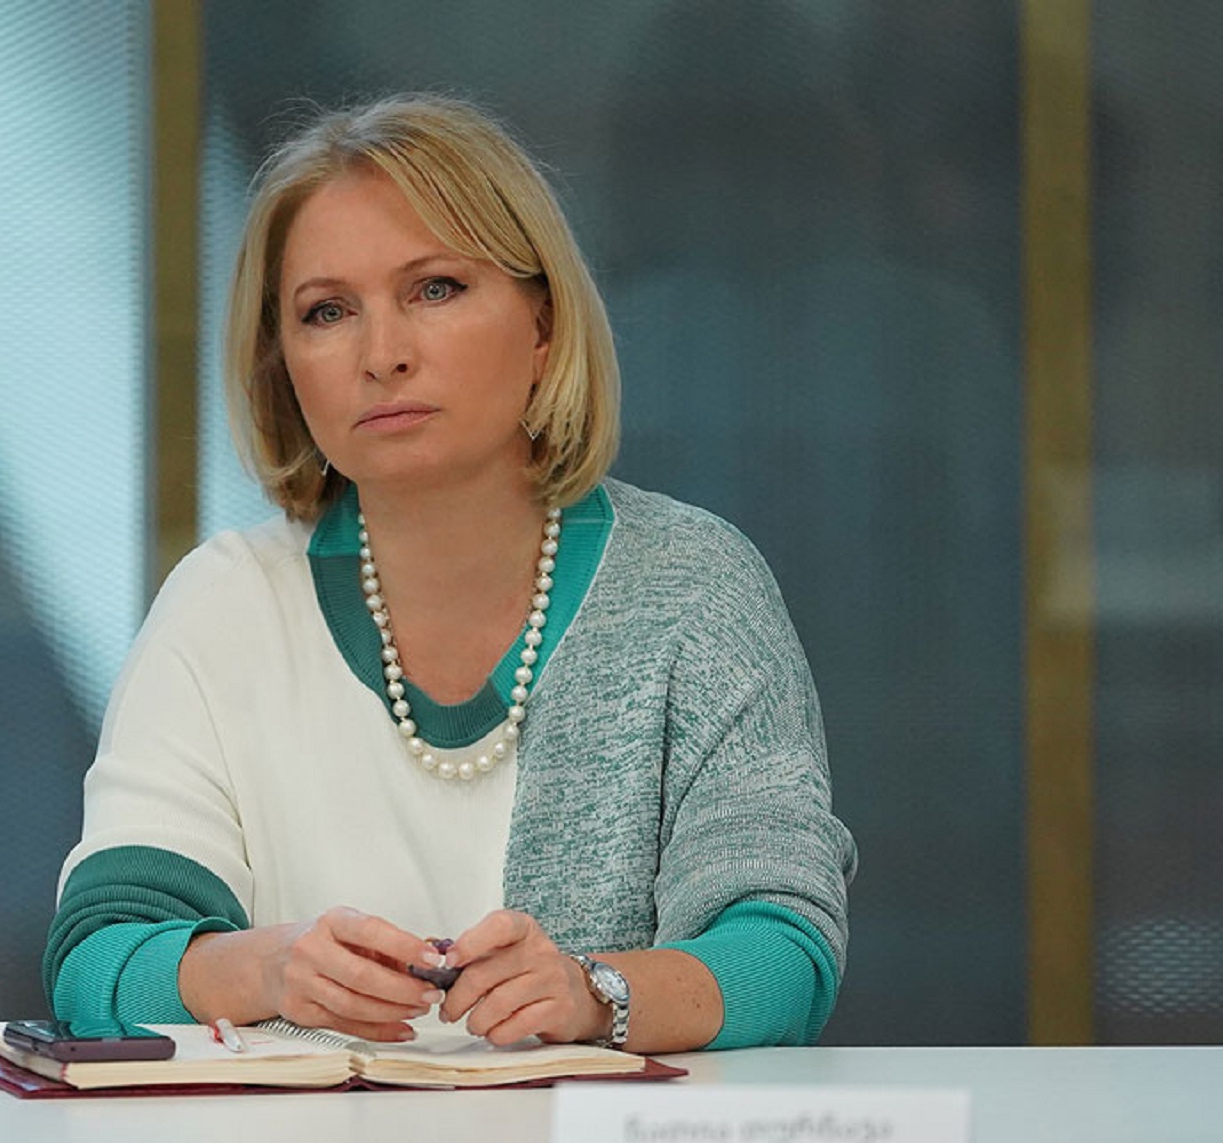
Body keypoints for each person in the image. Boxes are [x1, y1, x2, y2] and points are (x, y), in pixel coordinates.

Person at [43, 94, 856, 1054]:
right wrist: (266, 970)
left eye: (435, 289)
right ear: (283, 365)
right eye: (327, 312)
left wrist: (595, 995)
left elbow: (783, 949)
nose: (383, 355)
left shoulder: (692, 586)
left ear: (544, 325)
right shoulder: (222, 604)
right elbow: (96, 961)